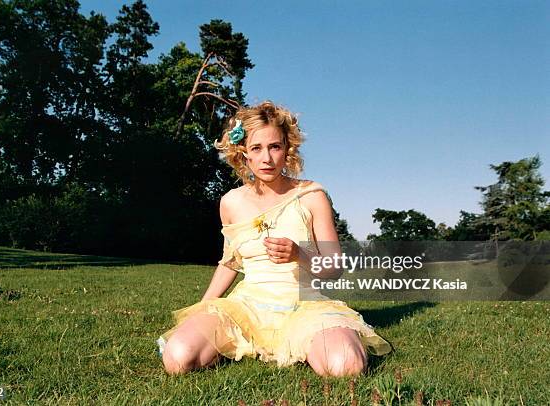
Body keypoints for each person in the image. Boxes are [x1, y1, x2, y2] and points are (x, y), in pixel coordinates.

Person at [157, 101, 391, 376]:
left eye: (274, 147)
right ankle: (232, 341)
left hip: (303, 306)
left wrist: (299, 255)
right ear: (243, 153)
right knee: (178, 358)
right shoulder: (230, 202)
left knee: (346, 365)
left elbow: (334, 268)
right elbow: (229, 262)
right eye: (256, 148)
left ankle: (307, 342)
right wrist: (203, 307)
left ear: (287, 149)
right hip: (246, 307)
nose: (266, 158)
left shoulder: (312, 196)